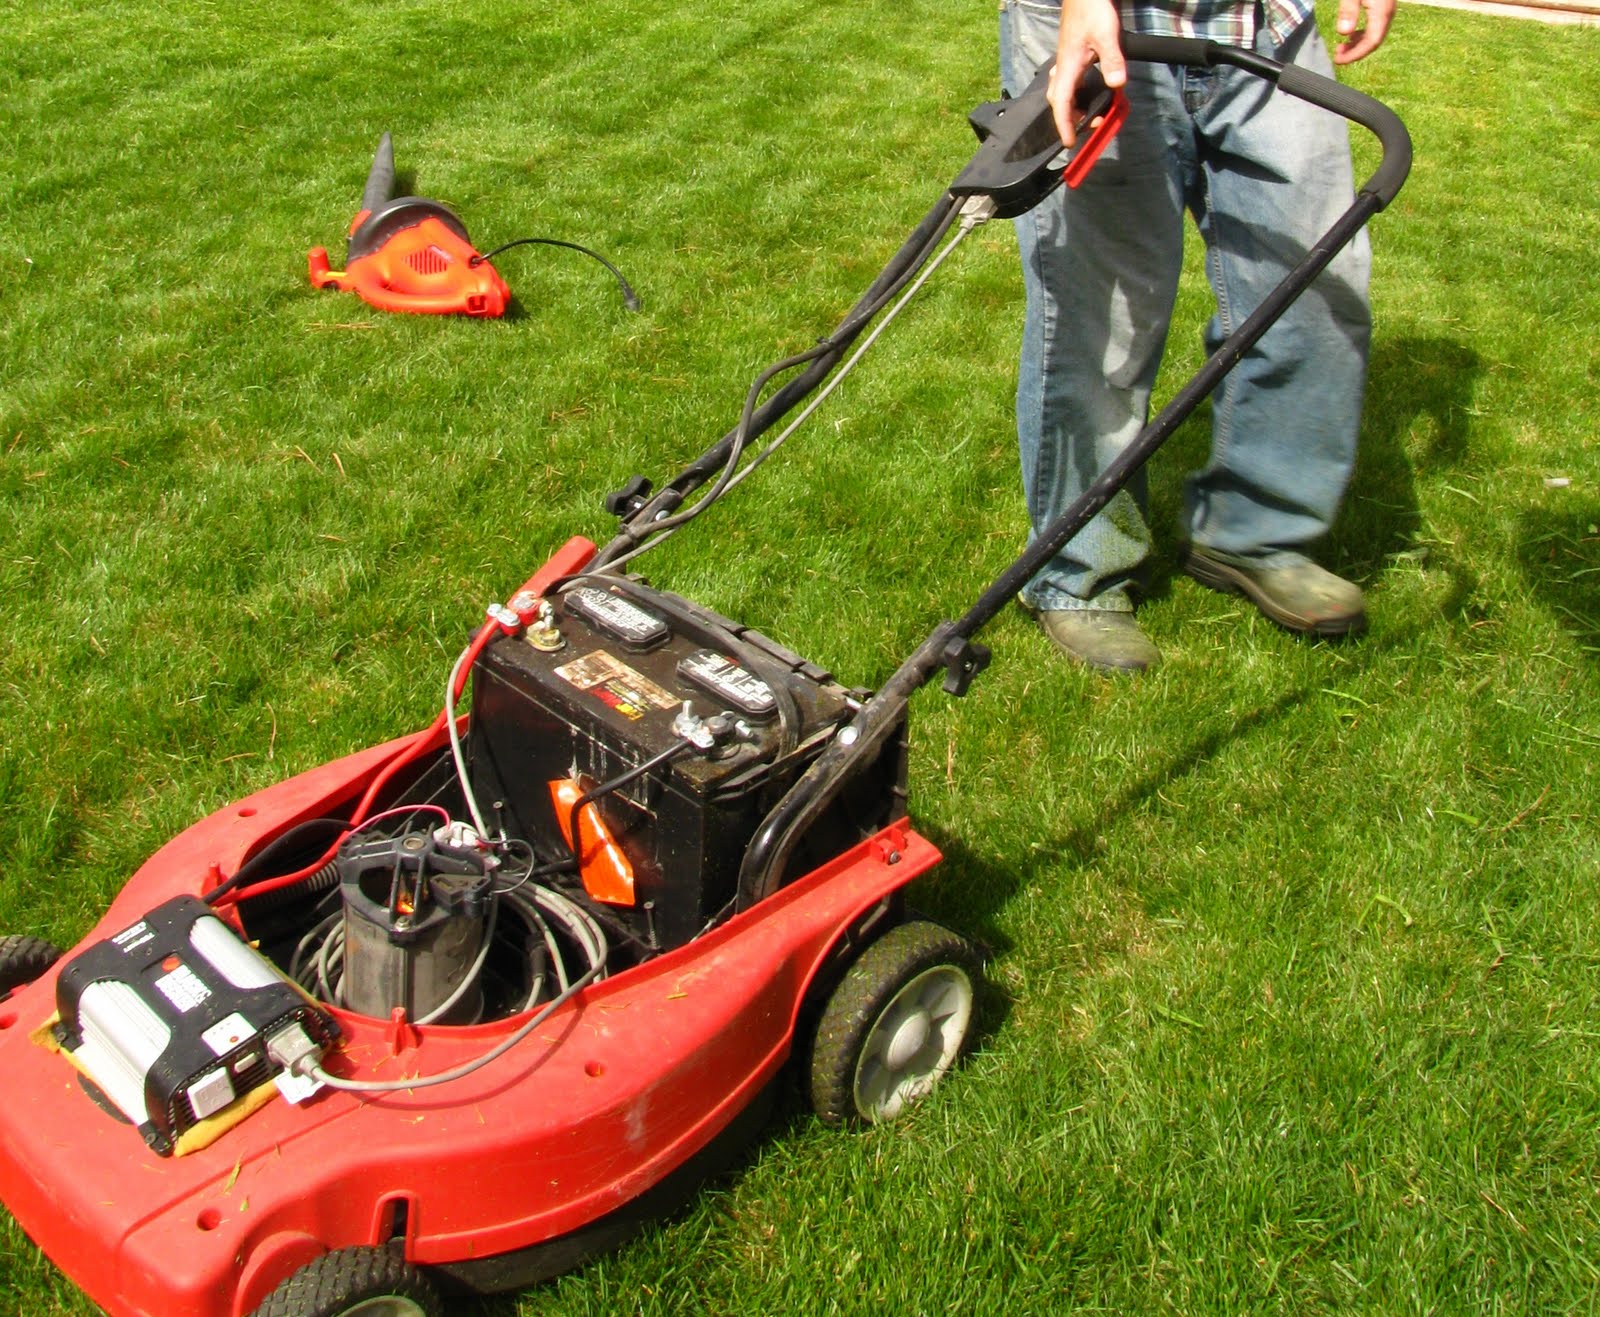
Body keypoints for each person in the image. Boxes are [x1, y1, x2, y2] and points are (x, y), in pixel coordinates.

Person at [1001, 0, 1396, 673]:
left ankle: (1255, 533)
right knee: (1099, 315)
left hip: (1266, 23)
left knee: (1314, 292)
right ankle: (1081, 571)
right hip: (1104, 29)